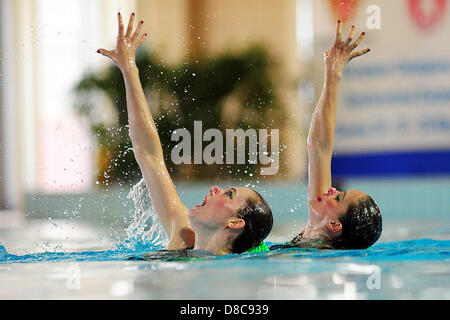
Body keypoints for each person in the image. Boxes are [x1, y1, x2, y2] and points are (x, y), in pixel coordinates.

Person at [97, 12, 273, 255]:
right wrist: (129, 69)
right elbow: (148, 154)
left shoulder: (229, 278)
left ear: (234, 224)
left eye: (228, 194)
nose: (214, 188)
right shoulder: (182, 233)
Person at [284, 20, 382, 250]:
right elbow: (318, 147)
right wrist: (333, 75)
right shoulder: (316, 225)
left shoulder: (316, 254)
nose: (331, 189)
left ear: (335, 225)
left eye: (338, 197)